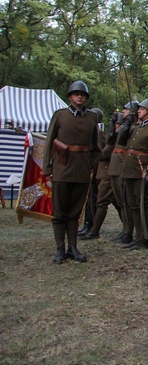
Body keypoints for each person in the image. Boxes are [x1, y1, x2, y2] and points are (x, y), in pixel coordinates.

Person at [42, 81, 101, 264]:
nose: (79, 97)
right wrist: (48, 168)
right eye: (76, 94)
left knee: (75, 213)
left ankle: (73, 247)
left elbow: (96, 147)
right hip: (61, 168)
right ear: (70, 97)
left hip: (82, 169)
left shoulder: (92, 118)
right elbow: (49, 142)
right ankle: (60, 249)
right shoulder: (59, 116)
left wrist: (91, 164)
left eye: (82, 94)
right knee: (60, 212)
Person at [119, 99, 148, 250]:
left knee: (142, 204)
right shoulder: (136, 127)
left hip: (142, 170)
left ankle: (144, 238)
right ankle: (137, 236)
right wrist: (127, 123)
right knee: (132, 204)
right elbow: (121, 141)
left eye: (142, 109)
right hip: (130, 168)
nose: (138, 110)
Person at [80, 111, 120, 240]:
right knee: (96, 201)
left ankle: (93, 228)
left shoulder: (99, 134)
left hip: (104, 171)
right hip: (98, 171)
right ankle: (89, 225)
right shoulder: (97, 133)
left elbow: (102, 153)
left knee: (102, 201)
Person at [108, 101, 139, 244]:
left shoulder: (134, 127)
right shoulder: (125, 124)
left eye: (126, 110)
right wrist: (112, 122)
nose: (124, 112)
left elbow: (123, 138)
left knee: (126, 201)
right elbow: (112, 138)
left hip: (124, 164)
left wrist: (127, 123)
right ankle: (125, 229)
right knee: (120, 200)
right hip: (116, 164)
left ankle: (129, 231)